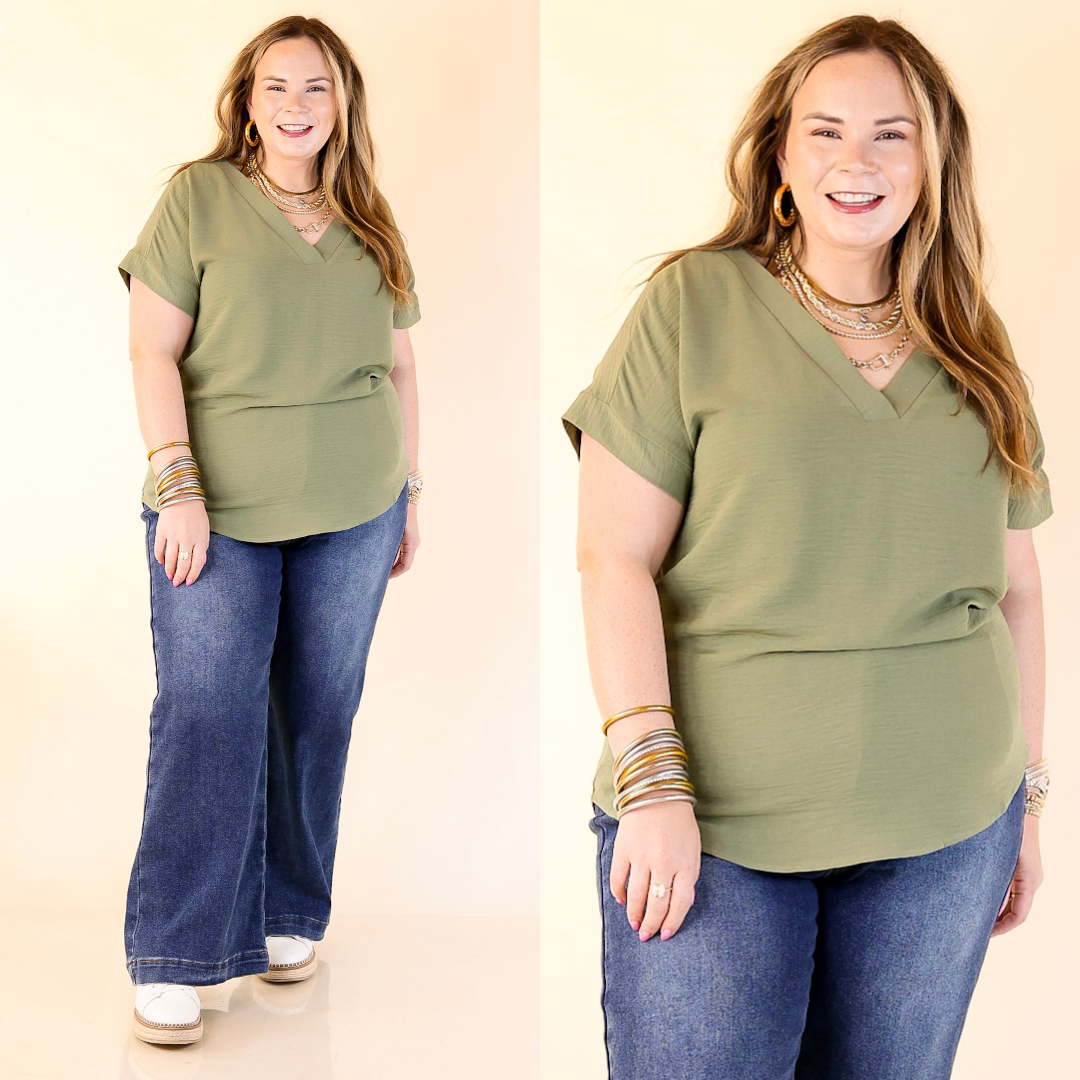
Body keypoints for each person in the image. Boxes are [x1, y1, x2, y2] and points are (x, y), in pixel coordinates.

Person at [562, 15, 1053, 1079]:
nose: (857, 162)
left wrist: (1026, 799)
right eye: (825, 132)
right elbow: (613, 556)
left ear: (933, 160)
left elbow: (1014, 592)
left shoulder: (978, 344)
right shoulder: (694, 304)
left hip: (945, 829)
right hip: (717, 822)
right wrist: (651, 786)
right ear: (780, 154)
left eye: (892, 135)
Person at [119, 16, 423, 1046]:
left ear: (344, 106)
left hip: (355, 507)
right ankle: (175, 950)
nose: (297, 106)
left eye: (319, 89)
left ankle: (289, 909)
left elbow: (403, 368)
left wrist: (410, 491)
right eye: (277, 86)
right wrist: (179, 487)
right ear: (247, 99)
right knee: (208, 709)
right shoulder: (198, 199)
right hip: (219, 511)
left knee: (318, 709)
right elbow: (152, 353)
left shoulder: (370, 219)